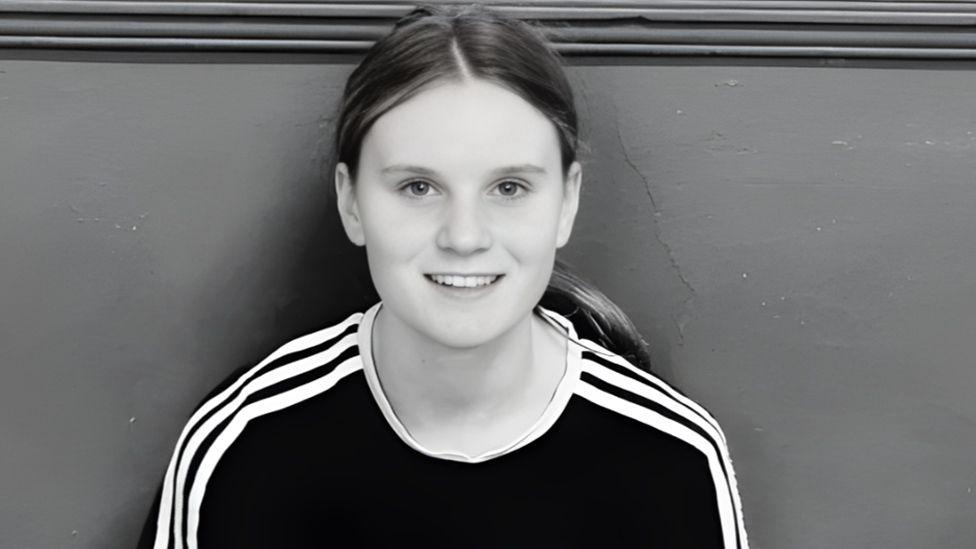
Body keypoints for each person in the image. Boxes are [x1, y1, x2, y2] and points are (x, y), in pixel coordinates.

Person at [138, 4, 748, 548]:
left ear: (566, 203)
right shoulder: (244, 442)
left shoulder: (674, 458)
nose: (464, 236)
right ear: (352, 203)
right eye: (418, 187)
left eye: (509, 188)